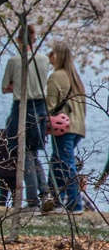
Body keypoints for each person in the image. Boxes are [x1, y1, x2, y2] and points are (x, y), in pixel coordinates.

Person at [1, 25, 50, 209]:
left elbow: (5, 88)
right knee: (34, 152)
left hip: (21, 106)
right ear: (35, 39)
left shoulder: (14, 61)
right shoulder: (45, 60)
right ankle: (45, 192)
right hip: (41, 108)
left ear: (19, 40)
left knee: (25, 153)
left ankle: (32, 200)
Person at [44, 40, 86, 214]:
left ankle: (75, 204)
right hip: (78, 127)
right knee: (57, 163)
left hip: (63, 127)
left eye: (51, 53)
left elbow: (50, 106)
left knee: (67, 165)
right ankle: (53, 200)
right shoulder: (75, 78)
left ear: (58, 56)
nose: (49, 56)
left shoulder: (57, 76)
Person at [0, 127, 17, 207]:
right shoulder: (19, 136)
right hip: (14, 169)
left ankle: (1, 208)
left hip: (0, 168)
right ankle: (14, 209)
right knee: (15, 193)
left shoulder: (1, 134)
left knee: (3, 193)